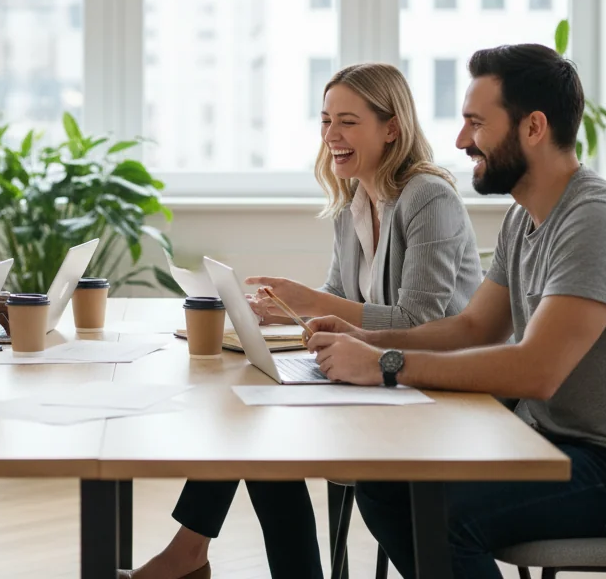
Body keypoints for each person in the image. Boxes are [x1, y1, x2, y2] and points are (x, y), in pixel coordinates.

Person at [306, 44, 606, 579]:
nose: (460, 140)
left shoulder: (596, 221)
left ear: (533, 127)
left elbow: (536, 371)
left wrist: (385, 365)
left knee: (443, 514)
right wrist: (362, 341)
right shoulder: (525, 218)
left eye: (476, 123)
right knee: (385, 487)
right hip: (555, 439)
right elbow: (473, 327)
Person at [124, 63, 483, 579]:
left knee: (260, 429)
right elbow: (338, 299)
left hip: (434, 385)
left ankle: (186, 556)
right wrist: (283, 310)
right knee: (252, 419)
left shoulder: (428, 196)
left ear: (391, 128)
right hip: (378, 376)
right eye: (325, 121)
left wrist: (311, 302)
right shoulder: (352, 199)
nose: (331, 135)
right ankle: (190, 554)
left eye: (348, 122)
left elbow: (420, 319)